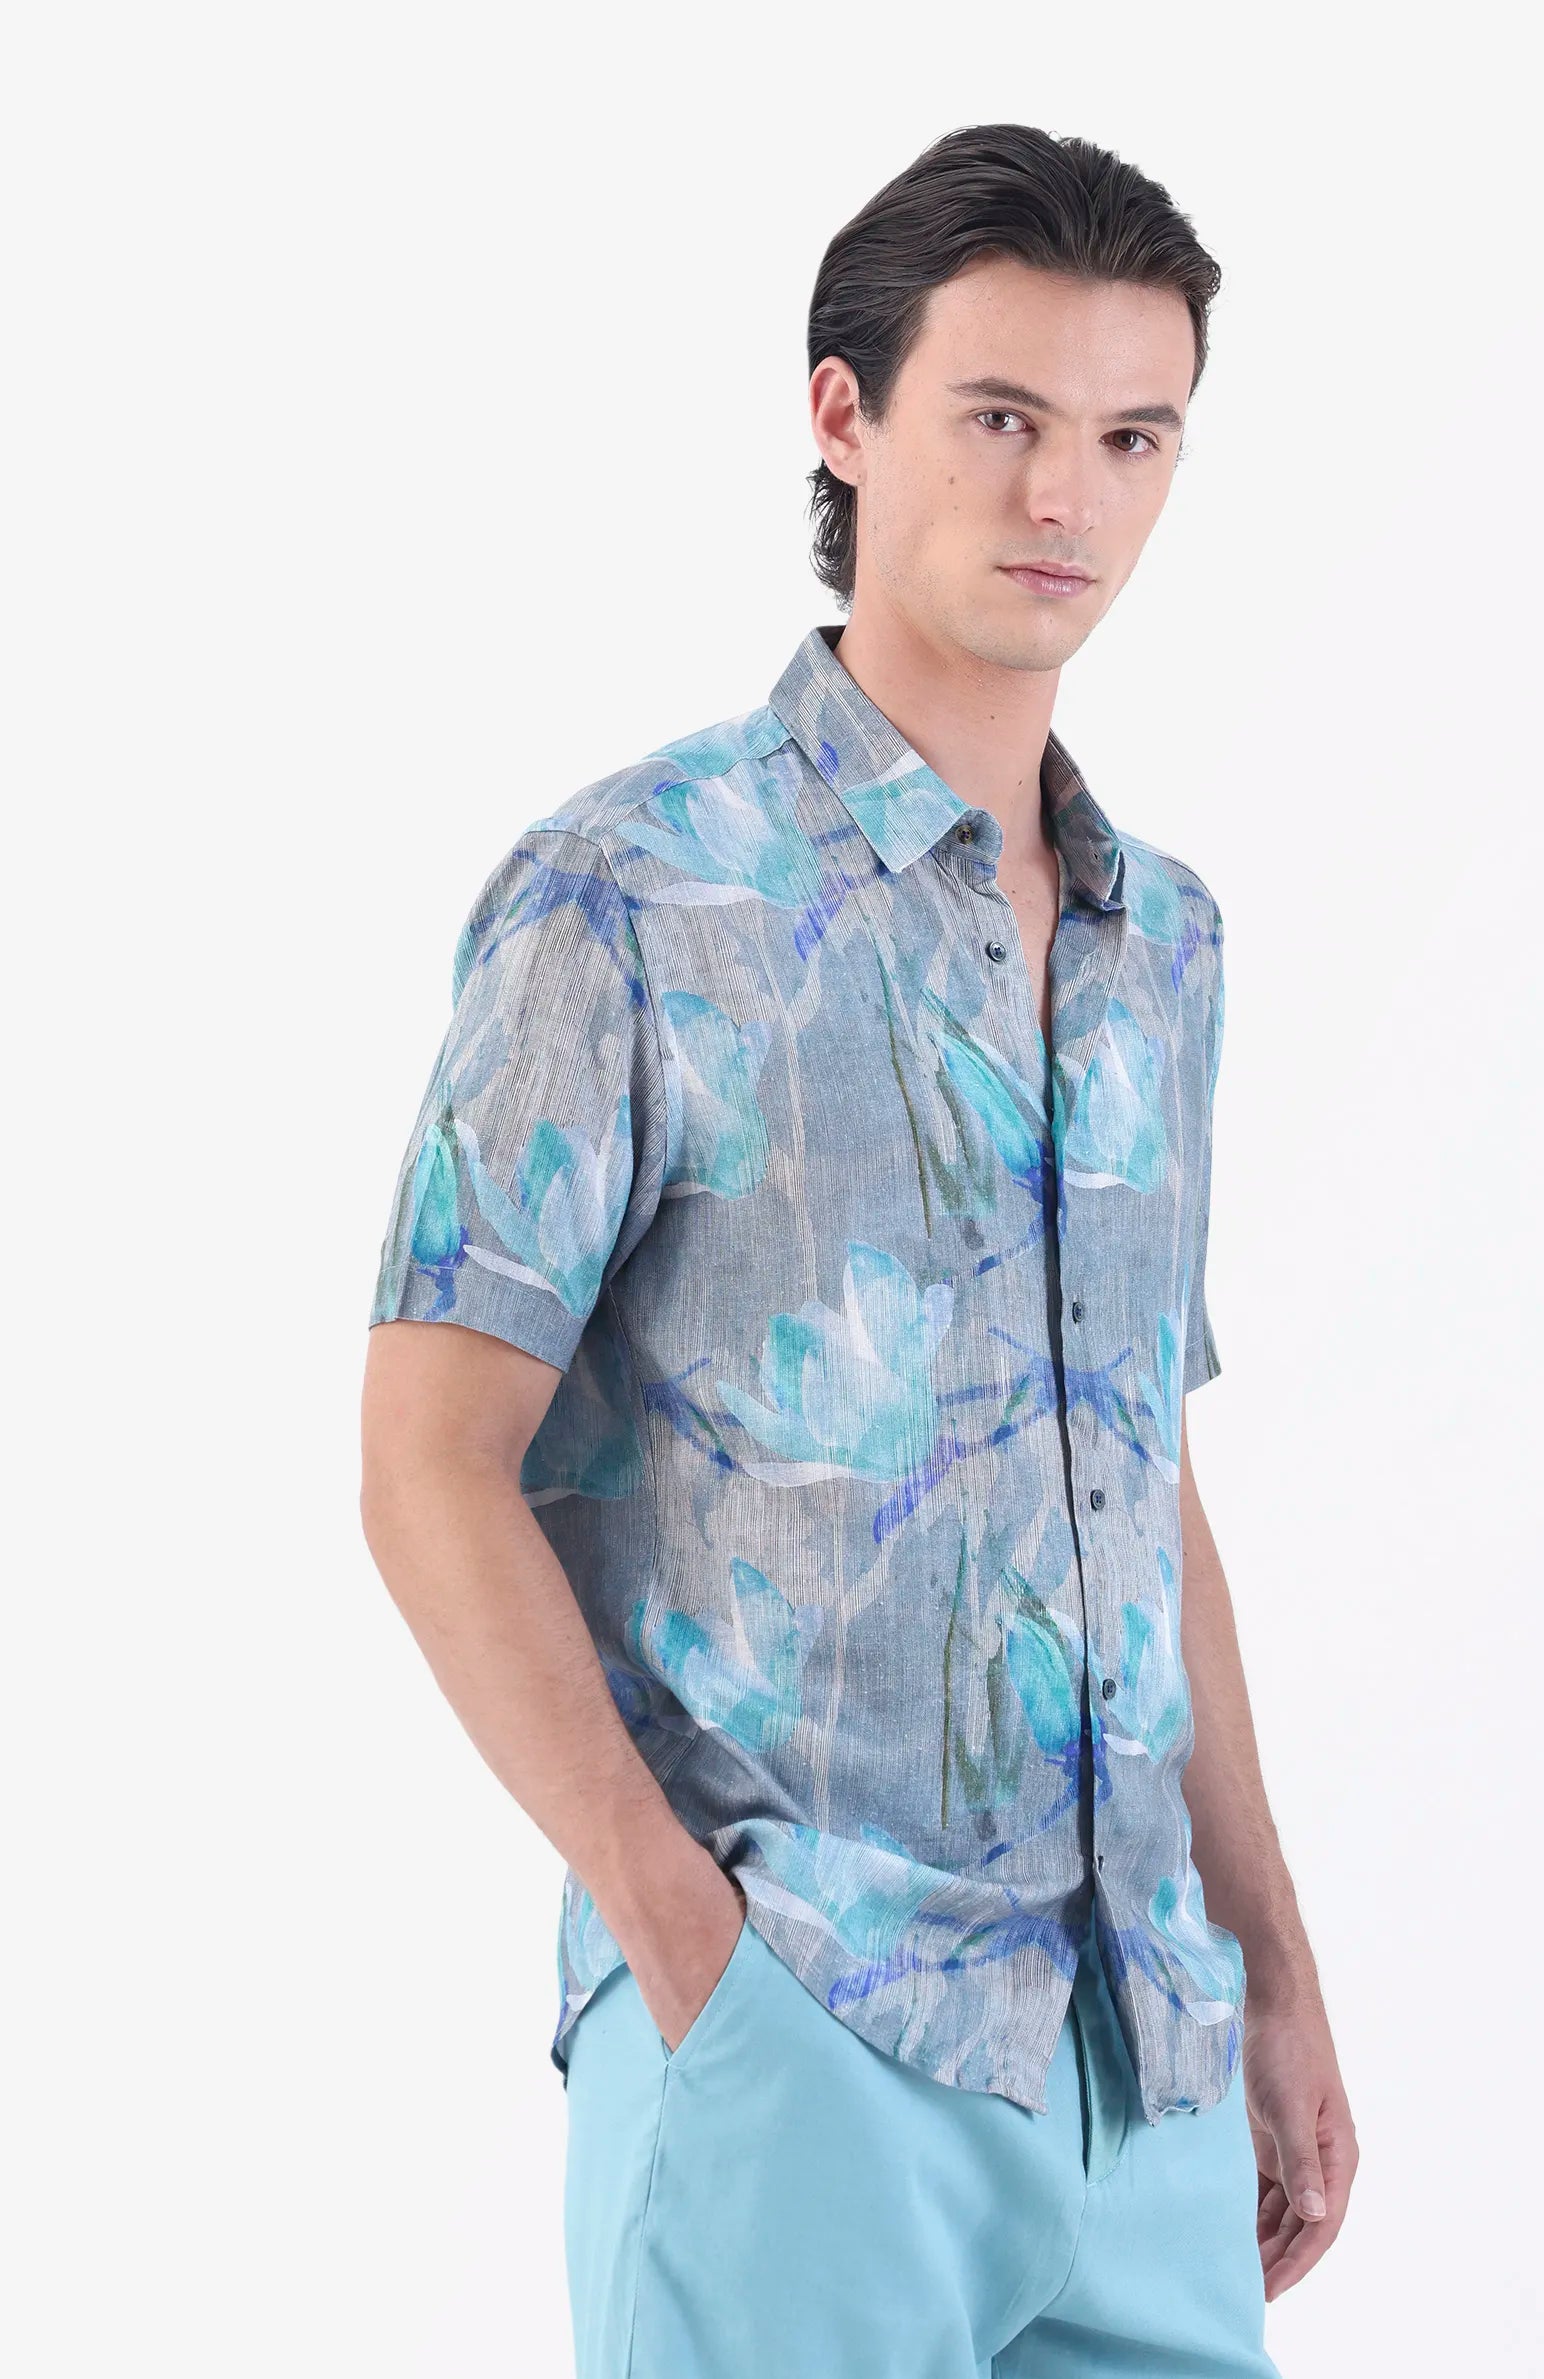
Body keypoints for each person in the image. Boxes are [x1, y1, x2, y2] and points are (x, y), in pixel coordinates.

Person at [360, 120, 1356, 2378]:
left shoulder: (1165, 942)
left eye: (1132, 437)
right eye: (1001, 416)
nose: (1064, 496)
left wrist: (1272, 1960)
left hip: (1141, 2064)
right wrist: (678, 1939)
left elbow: (1135, 1476)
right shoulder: (632, 890)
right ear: (845, 413)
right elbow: (426, 1453)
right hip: (799, 2025)